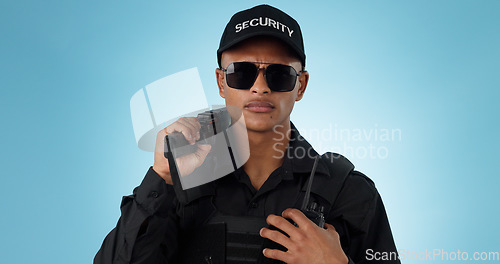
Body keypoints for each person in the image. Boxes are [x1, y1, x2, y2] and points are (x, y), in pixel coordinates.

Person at [95, 4, 400, 264]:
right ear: (221, 82)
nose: (260, 87)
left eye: (279, 75)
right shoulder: (176, 184)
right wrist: (162, 177)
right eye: (241, 72)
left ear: (301, 85)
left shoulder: (350, 194)